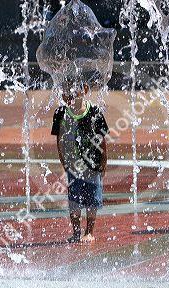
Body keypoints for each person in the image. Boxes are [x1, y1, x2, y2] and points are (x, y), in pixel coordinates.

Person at [51, 82, 109, 243]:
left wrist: (104, 161)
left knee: (93, 199)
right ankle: (76, 232)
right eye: (64, 91)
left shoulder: (95, 112)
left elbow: (102, 140)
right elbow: (59, 140)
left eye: (72, 91)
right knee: (74, 200)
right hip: (73, 165)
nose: (68, 95)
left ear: (84, 90)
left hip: (93, 164)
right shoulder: (61, 113)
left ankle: (89, 231)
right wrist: (64, 161)